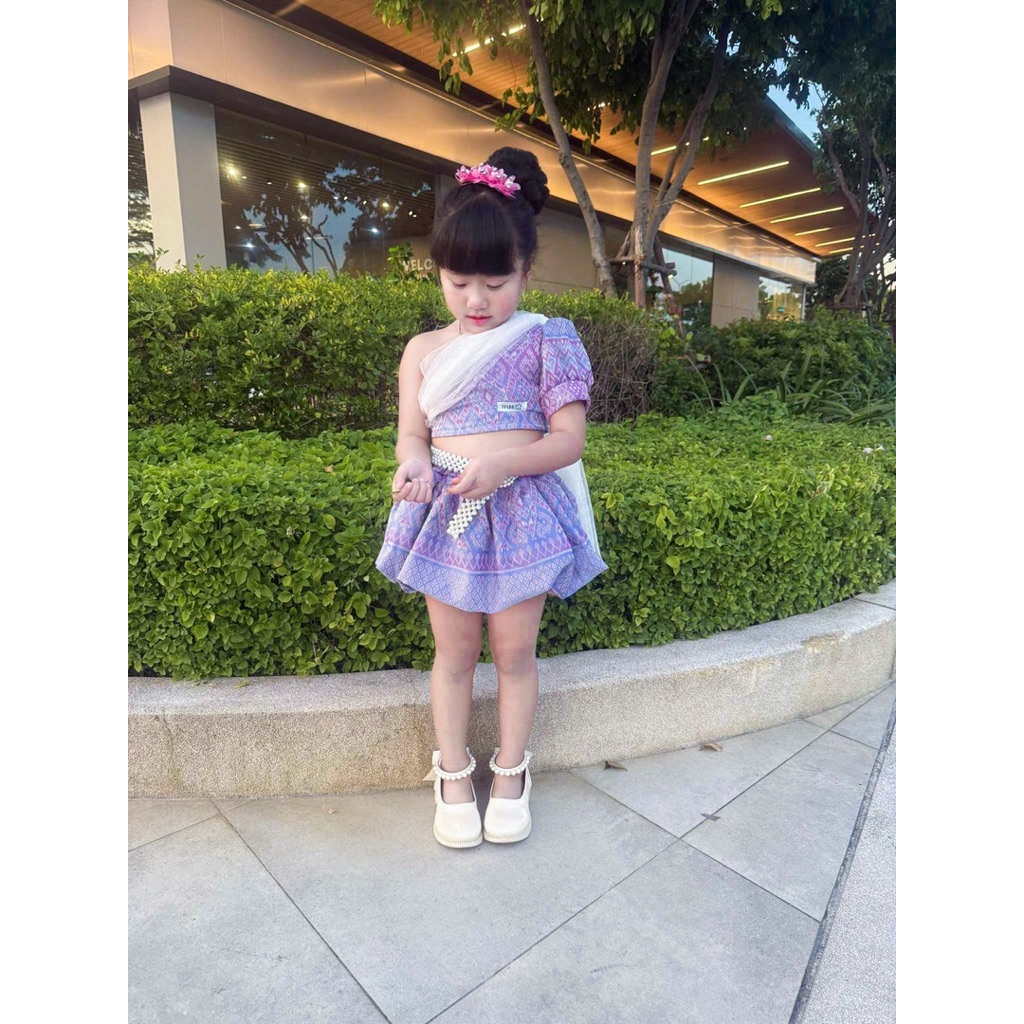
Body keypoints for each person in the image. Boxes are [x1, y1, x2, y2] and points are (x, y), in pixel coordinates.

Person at [375, 146, 608, 850]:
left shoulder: (547, 340)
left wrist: (503, 466)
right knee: (453, 654)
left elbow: (568, 440)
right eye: (459, 282)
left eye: (496, 282)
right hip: (446, 510)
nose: (476, 300)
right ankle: (451, 773)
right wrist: (414, 467)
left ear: (526, 272)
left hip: (521, 512)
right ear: (439, 275)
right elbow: (411, 434)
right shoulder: (422, 350)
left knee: (513, 652)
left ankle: (511, 772)